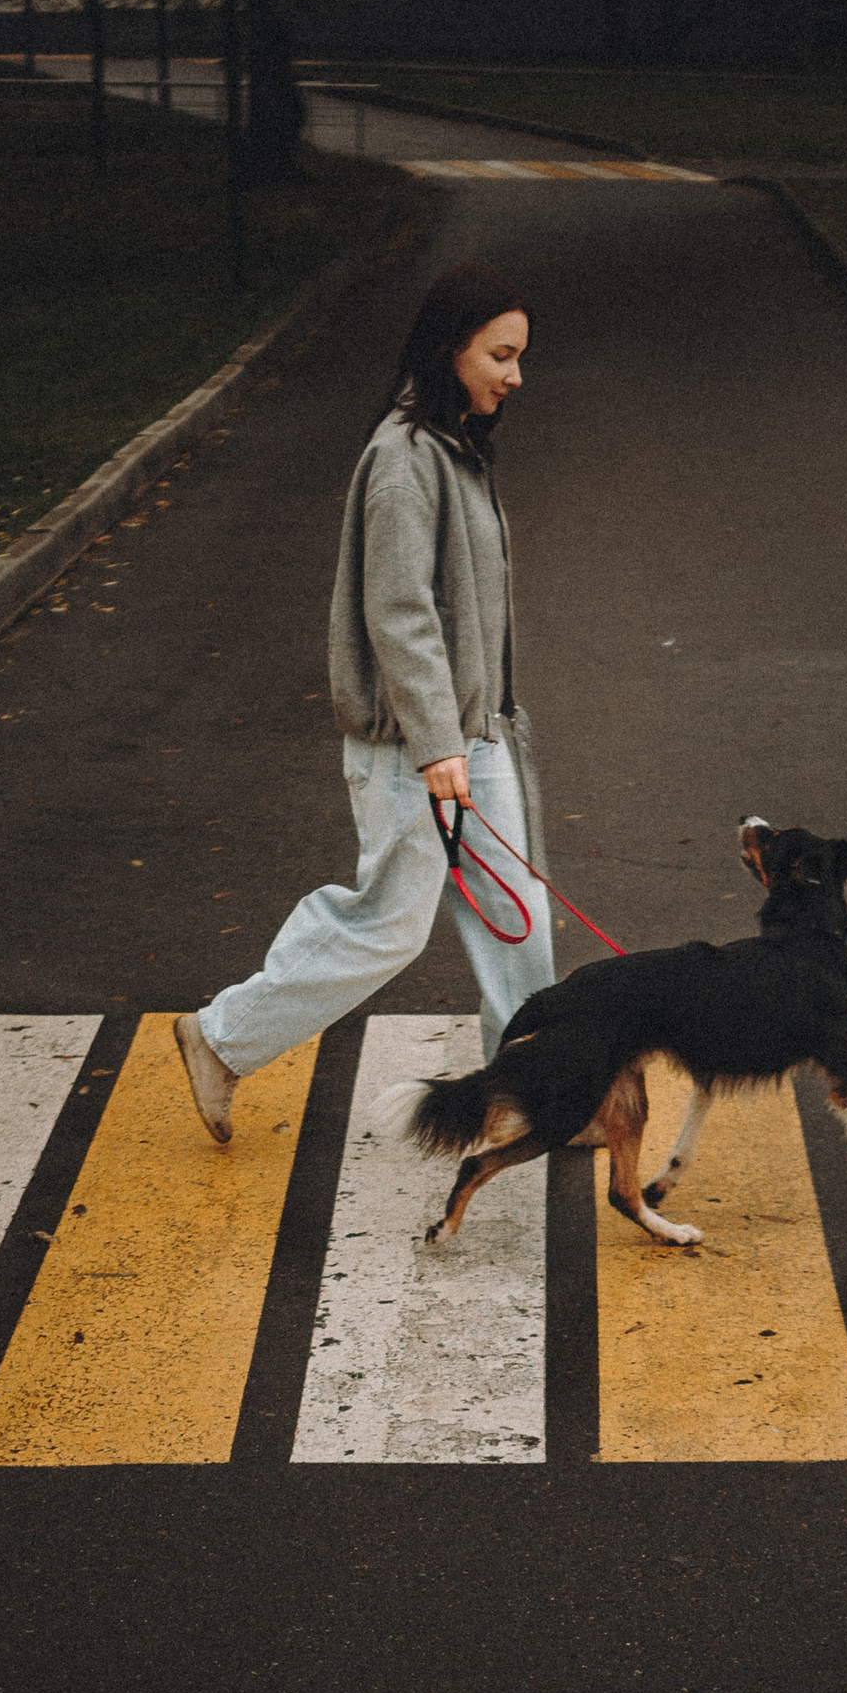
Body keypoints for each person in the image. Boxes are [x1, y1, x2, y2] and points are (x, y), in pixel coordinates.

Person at [174, 261, 556, 1144]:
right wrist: (436, 744)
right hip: (418, 747)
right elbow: (399, 611)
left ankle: (531, 1093)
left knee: (517, 917)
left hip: (474, 736)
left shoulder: (456, 446)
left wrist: (472, 728)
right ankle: (222, 1036)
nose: (515, 375)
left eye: (518, 356)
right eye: (501, 354)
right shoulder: (403, 461)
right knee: (387, 925)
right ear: (450, 346)